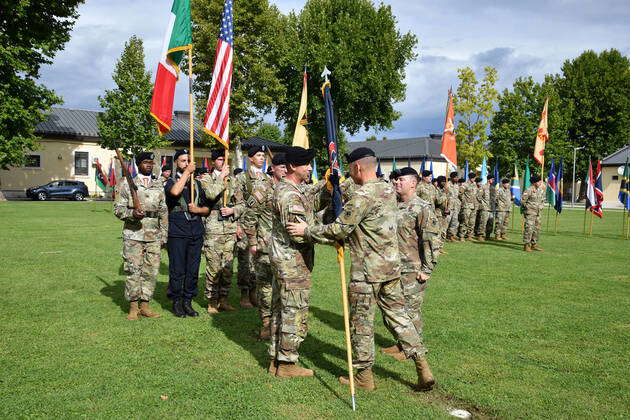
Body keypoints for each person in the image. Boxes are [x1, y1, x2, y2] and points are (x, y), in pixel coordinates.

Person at [287, 148, 435, 392]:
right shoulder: (388, 189)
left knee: (361, 325)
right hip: (391, 268)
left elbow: (339, 230)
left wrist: (307, 231)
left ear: (357, 168)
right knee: (400, 319)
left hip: (367, 273)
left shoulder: (363, 195)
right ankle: (422, 366)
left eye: (350, 170)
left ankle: (364, 378)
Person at [267, 147, 330, 378]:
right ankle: (287, 363)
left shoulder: (294, 189)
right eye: (306, 164)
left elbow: (312, 200)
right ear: (293, 166)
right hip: (291, 262)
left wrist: (329, 185)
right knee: (294, 311)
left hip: (288, 260)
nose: (310, 168)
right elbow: (298, 232)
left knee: (281, 309)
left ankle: (275, 359)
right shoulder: (288, 194)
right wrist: (333, 234)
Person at [379, 168, 438, 368]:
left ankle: (412, 350)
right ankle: (401, 344)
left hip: (412, 269)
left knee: (411, 311)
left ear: (413, 183)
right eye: (395, 180)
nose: (396, 183)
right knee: (394, 311)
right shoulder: (393, 205)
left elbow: (432, 240)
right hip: (391, 267)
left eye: (401, 180)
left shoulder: (421, 207)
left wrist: (427, 269)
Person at [113, 152, 168, 320]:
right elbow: (118, 209)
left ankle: (145, 306)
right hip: (134, 234)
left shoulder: (158, 184)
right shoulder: (126, 183)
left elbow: (163, 211)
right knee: (133, 270)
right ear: (138, 164)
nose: (149, 165)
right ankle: (133, 307)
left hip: (154, 235)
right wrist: (132, 213)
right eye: (145, 162)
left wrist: (164, 235)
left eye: (151, 162)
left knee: (150, 272)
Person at [242, 153, 287, 340]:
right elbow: (249, 216)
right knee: (266, 288)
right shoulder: (263, 187)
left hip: (285, 249)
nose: (285, 170)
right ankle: (267, 324)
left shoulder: (289, 188)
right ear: (273, 168)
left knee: (283, 288)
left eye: (288, 167)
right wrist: (252, 242)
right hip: (264, 247)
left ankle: (282, 324)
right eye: (282, 166)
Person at [164, 149, 210, 317]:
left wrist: (198, 209)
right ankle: (176, 301)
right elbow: (175, 193)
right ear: (176, 162)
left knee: (193, 269)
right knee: (177, 269)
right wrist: (187, 173)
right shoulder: (170, 181)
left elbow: (207, 208)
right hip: (177, 231)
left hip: (195, 231)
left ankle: (188, 301)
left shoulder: (197, 184)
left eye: (189, 160)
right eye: (183, 161)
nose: (186, 163)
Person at [199, 149, 244, 313]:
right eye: (219, 159)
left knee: (227, 267)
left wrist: (234, 211)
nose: (223, 162)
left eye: (225, 159)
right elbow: (210, 194)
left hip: (230, 227)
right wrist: (220, 177)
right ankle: (211, 301)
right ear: (213, 162)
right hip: (214, 228)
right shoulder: (206, 178)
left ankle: (223, 299)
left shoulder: (234, 180)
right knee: (213, 266)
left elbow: (242, 203)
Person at [234, 145, 269, 308]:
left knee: (259, 259)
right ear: (251, 158)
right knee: (245, 261)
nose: (262, 158)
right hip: (246, 223)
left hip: (263, 227)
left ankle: (255, 292)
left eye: (263, 155)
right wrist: (238, 225)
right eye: (259, 155)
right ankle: (244, 294)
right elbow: (238, 202)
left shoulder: (267, 179)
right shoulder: (242, 177)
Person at [417, 170, 447, 251]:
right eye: (429, 176)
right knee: (421, 232)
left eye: (431, 176)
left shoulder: (432, 187)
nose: (431, 178)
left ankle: (434, 248)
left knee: (432, 231)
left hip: (432, 213)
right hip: (422, 213)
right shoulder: (419, 187)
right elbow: (415, 199)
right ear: (423, 177)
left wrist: (444, 195)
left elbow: (438, 201)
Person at [521, 175, 546, 252]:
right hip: (530, 213)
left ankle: (534, 244)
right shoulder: (529, 190)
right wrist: (528, 208)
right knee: (529, 229)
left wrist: (542, 206)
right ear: (534, 182)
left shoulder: (540, 190)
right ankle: (526, 245)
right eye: (539, 181)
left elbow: (542, 200)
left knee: (536, 229)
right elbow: (522, 200)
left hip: (538, 213)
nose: (540, 182)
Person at [458, 173, 478, 241]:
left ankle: (469, 235)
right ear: (471, 178)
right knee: (465, 221)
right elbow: (460, 193)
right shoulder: (465, 185)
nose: (474, 179)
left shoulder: (474, 185)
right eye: (474, 178)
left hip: (473, 206)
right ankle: (462, 236)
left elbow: (475, 195)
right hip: (467, 206)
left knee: (471, 222)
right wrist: (464, 201)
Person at [474, 174, 495, 241]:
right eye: (492, 179)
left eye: (493, 179)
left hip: (491, 208)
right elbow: (478, 196)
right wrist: (483, 203)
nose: (493, 180)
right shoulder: (483, 187)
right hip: (485, 208)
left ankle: (488, 235)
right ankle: (480, 235)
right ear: (488, 179)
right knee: (483, 222)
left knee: (490, 222)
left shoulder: (493, 188)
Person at [445, 172, 461, 242]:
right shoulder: (447, 185)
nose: (457, 179)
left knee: (454, 222)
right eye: (455, 177)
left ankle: (451, 235)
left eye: (457, 177)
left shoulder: (457, 185)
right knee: (446, 222)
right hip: (448, 206)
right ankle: (443, 236)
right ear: (451, 178)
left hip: (455, 206)